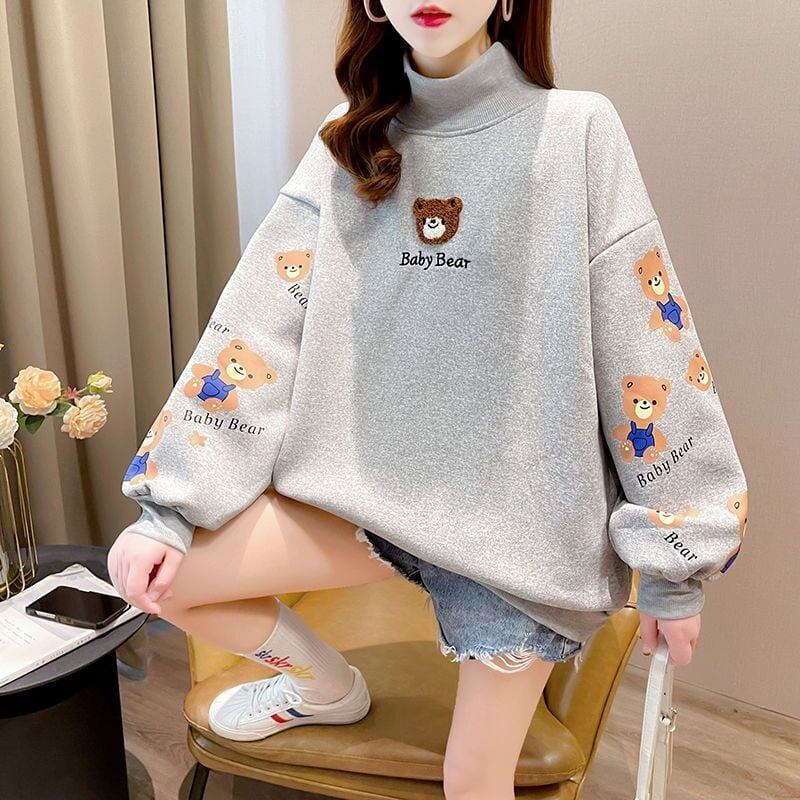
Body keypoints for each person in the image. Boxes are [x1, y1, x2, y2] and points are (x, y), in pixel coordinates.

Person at [108, 1, 749, 795]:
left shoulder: (577, 130)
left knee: (472, 780)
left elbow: (646, 339)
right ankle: (325, 688)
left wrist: (677, 559)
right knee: (159, 579)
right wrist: (170, 506)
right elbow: (261, 326)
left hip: (516, 531)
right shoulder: (349, 137)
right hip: (368, 501)